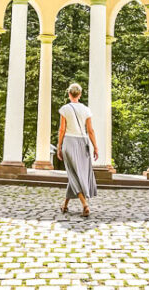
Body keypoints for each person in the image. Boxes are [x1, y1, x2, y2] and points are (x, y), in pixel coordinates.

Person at [56, 82, 98, 216]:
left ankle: (85, 205)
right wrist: (95, 147)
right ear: (79, 94)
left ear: (69, 94)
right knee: (76, 173)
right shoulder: (86, 109)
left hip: (69, 141)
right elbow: (90, 130)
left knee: (73, 174)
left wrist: (59, 146)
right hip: (83, 142)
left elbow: (62, 129)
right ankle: (65, 204)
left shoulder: (65, 109)